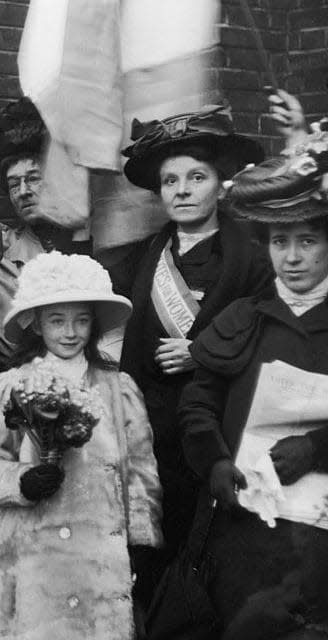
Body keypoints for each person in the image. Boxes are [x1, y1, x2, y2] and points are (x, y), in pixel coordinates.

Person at [111, 105, 272, 594]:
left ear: (220, 183)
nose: (182, 190)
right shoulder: (143, 259)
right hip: (155, 439)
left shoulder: (253, 261)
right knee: (157, 568)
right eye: (170, 181)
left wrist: (203, 351)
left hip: (223, 436)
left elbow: (273, 340)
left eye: (196, 177)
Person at [179, 135, 328, 636]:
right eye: (280, 242)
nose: (292, 257)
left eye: (307, 241)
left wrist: (316, 447)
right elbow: (199, 402)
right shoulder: (244, 318)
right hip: (247, 530)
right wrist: (215, 460)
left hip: (320, 537)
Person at [0, 251, 163, 640]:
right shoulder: (13, 386)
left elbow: (142, 470)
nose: (70, 332)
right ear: (37, 325)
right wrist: (22, 481)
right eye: (57, 320)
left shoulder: (117, 388)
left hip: (100, 559)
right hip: (32, 555)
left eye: (81, 319)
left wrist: (140, 541)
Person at [0, 98, 92, 368]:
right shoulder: (4, 253)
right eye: (13, 184)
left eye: (34, 178)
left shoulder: (95, 238)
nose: (23, 191)